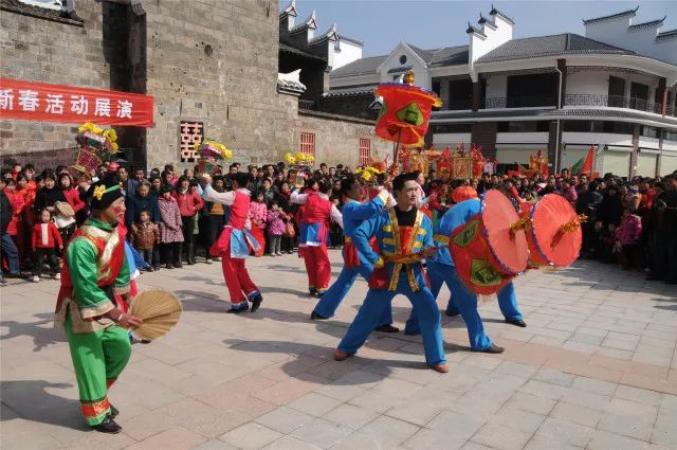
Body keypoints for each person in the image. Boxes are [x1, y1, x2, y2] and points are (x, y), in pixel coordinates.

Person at [334, 172, 448, 373]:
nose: (414, 193)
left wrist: (429, 252)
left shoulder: (425, 220)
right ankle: (346, 347)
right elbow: (359, 234)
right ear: (397, 193)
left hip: (415, 277)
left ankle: (436, 358)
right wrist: (373, 258)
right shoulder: (383, 216)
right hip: (387, 275)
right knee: (368, 314)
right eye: (409, 190)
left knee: (431, 314)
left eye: (416, 189)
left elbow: (428, 243)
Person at [54, 179, 143, 433]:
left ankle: (97, 397)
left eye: (123, 202)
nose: (124, 208)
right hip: (79, 306)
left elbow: (121, 268)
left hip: (106, 301)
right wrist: (117, 314)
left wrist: (128, 298)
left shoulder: (114, 231)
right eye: (119, 203)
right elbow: (84, 287)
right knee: (91, 360)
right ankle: (96, 414)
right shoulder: (82, 243)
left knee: (121, 346)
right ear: (103, 207)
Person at [406, 187, 516, 353]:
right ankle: (480, 342)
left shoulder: (460, 206)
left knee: (427, 296)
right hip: (451, 258)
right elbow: (482, 236)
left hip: (435, 255)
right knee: (468, 303)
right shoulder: (481, 209)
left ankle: (413, 325)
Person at [310, 173, 394, 330]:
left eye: (360, 186)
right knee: (379, 283)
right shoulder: (350, 207)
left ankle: (322, 310)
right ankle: (381, 320)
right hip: (358, 251)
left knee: (344, 282)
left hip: (355, 250)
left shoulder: (357, 205)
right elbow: (371, 209)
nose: (360, 189)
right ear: (348, 192)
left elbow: (373, 210)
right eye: (356, 187)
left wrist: (385, 194)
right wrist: (384, 192)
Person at [201, 173, 263, 313]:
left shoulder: (234, 195)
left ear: (235, 183)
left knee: (230, 270)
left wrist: (208, 182)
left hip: (233, 235)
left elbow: (212, 195)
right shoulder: (246, 196)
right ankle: (253, 293)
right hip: (242, 234)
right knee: (239, 268)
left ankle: (239, 302)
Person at [292, 178, 343, 297]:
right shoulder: (329, 205)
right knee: (322, 261)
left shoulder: (308, 197)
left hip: (305, 233)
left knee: (310, 260)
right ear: (329, 191)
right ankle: (321, 287)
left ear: (318, 188)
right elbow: (341, 220)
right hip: (318, 233)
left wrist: (297, 187)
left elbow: (293, 198)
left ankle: (313, 286)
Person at [174, 176, 204, 265]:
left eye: (187, 181)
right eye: (183, 181)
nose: (185, 183)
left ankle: (189, 258)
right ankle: (178, 259)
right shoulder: (176, 192)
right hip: (179, 218)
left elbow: (201, 202)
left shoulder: (192, 192)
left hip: (190, 217)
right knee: (179, 239)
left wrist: (195, 208)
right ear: (180, 182)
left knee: (189, 238)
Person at [31, 208, 63, 282]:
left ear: (50, 217)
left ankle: (57, 272)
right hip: (39, 247)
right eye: (44, 215)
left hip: (50, 247)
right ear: (40, 216)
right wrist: (33, 246)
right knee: (39, 261)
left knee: (53, 260)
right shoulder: (36, 226)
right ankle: (37, 274)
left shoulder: (52, 225)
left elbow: (57, 235)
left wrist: (60, 243)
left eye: (47, 216)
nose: (46, 217)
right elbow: (33, 237)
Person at [158, 185, 184, 269]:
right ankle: (168, 263)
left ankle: (176, 261)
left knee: (177, 244)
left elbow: (177, 212)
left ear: (170, 193)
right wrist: (172, 225)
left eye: (167, 192)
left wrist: (179, 224)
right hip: (167, 226)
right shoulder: (160, 201)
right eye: (164, 193)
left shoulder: (174, 201)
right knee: (168, 245)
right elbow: (164, 215)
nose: (166, 194)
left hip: (176, 225)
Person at [0, 177, 21, 284]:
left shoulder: (3, 195)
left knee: (12, 249)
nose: (1, 184)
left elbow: (9, 209)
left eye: (2, 182)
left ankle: (14, 271)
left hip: (3, 230)